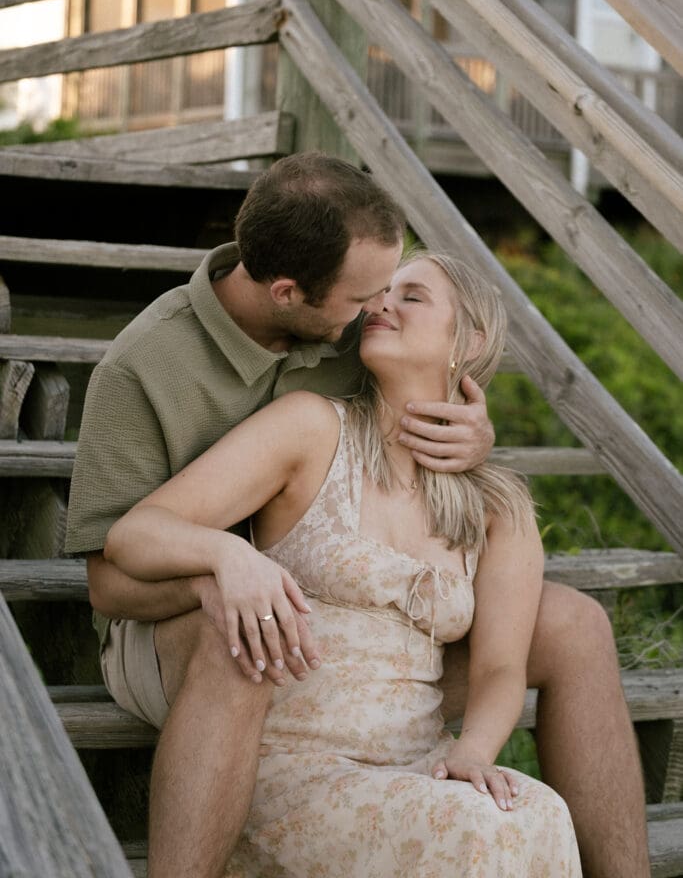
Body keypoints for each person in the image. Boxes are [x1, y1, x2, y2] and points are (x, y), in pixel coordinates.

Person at [64, 151, 649, 878]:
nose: (377, 308)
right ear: (288, 293)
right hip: (180, 615)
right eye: (368, 296)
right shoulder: (146, 370)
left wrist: (476, 437)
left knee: (572, 625)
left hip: (356, 647)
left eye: (400, 293)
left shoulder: (349, 322)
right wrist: (225, 562)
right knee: (240, 640)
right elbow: (111, 578)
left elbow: (430, 370)